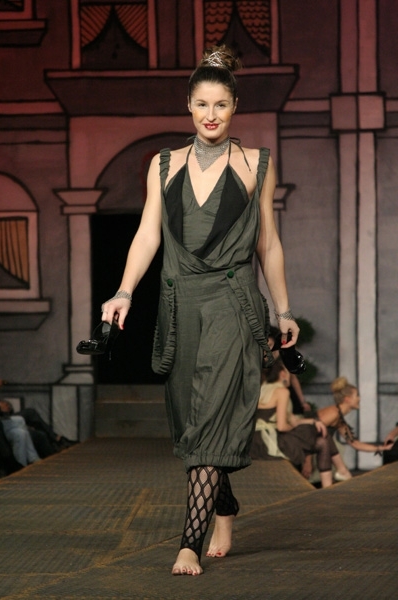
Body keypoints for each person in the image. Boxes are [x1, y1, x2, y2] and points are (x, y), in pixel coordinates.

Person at [101, 45, 299, 576]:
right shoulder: (163, 164)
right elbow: (147, 234)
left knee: (211, 418)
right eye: (202, 104)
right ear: (188, 106)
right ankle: (225, 506)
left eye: (221, 105)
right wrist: (123, 292)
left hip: (234, 304)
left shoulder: (256, 163)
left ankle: (189, 542)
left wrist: (283, 310)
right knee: (195, 424)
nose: (211, 115)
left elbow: (268, 243)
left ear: (235, 107)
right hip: (180, 305)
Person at [252, 358, 346, 488]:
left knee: (321, 441)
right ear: (283, 374)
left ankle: (332, 482)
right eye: (289, 372)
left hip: (255, 442)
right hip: (269, 443)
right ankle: (340, 472)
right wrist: (296, 426)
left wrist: (313, 421)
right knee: (318, 435)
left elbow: (292, 419)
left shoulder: (263, 389)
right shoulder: (282, 392)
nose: (291, 376)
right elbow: (282, 426)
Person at [317, 377, 394, 474]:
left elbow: (355, 443)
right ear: (347, 399)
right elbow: (309, 433)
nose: (359, 398)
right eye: (357, 395)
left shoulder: (339, 419)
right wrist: (307, 462)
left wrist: (381, 448)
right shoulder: (333, 413)